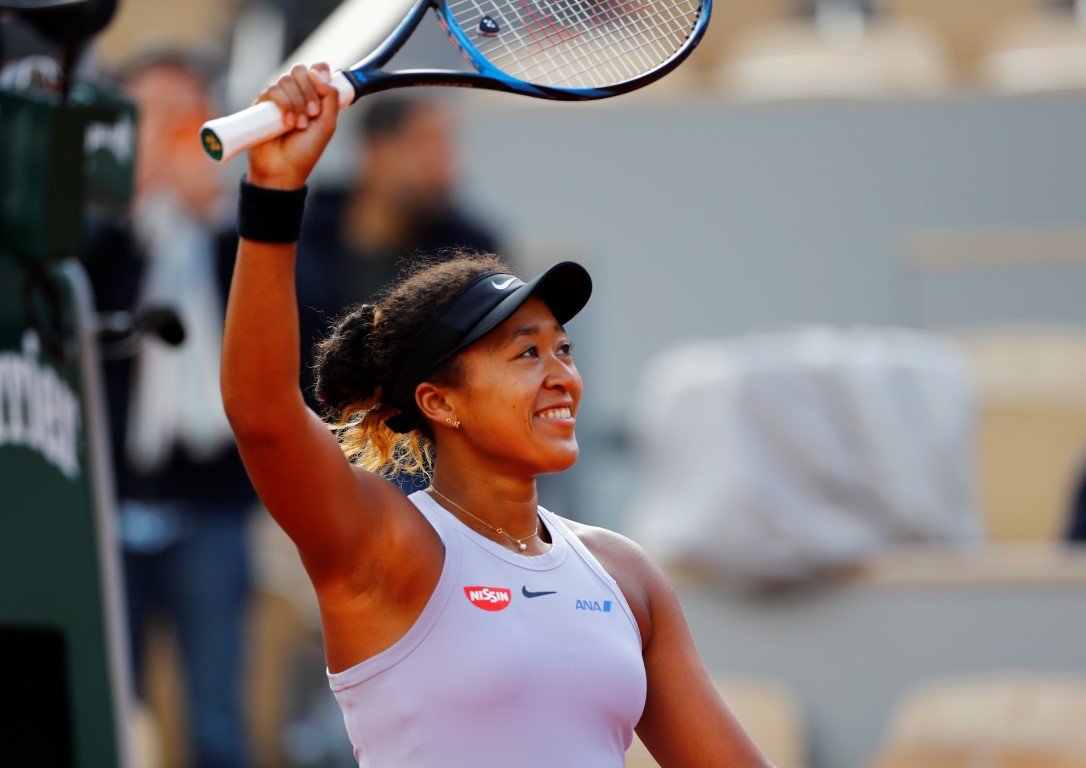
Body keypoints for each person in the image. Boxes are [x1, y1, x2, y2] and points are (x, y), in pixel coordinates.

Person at [221, 62, 773, 767]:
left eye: (564, 349)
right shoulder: (385, 547)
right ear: (439, 401)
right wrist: (274, 192)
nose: (562, 378)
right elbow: (263, 415)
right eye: (526, 354)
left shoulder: (623, 574)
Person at [83, 52, 254, 768]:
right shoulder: (95, 233)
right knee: (105, 703)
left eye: (184, 116)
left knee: (215, 711)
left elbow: (297, 327)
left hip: (211, 499)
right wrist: (126, 215)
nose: (167, 134)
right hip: (108, 496)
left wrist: (218, 223)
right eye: (149, 116)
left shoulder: (243, 227)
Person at [295, 94, 500, 495]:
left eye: (449, 144)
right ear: (376, 149)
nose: (447, 165)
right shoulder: (300, 236)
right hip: (302, 461)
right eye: (427, 143)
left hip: (425, 465)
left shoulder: (471, 247)